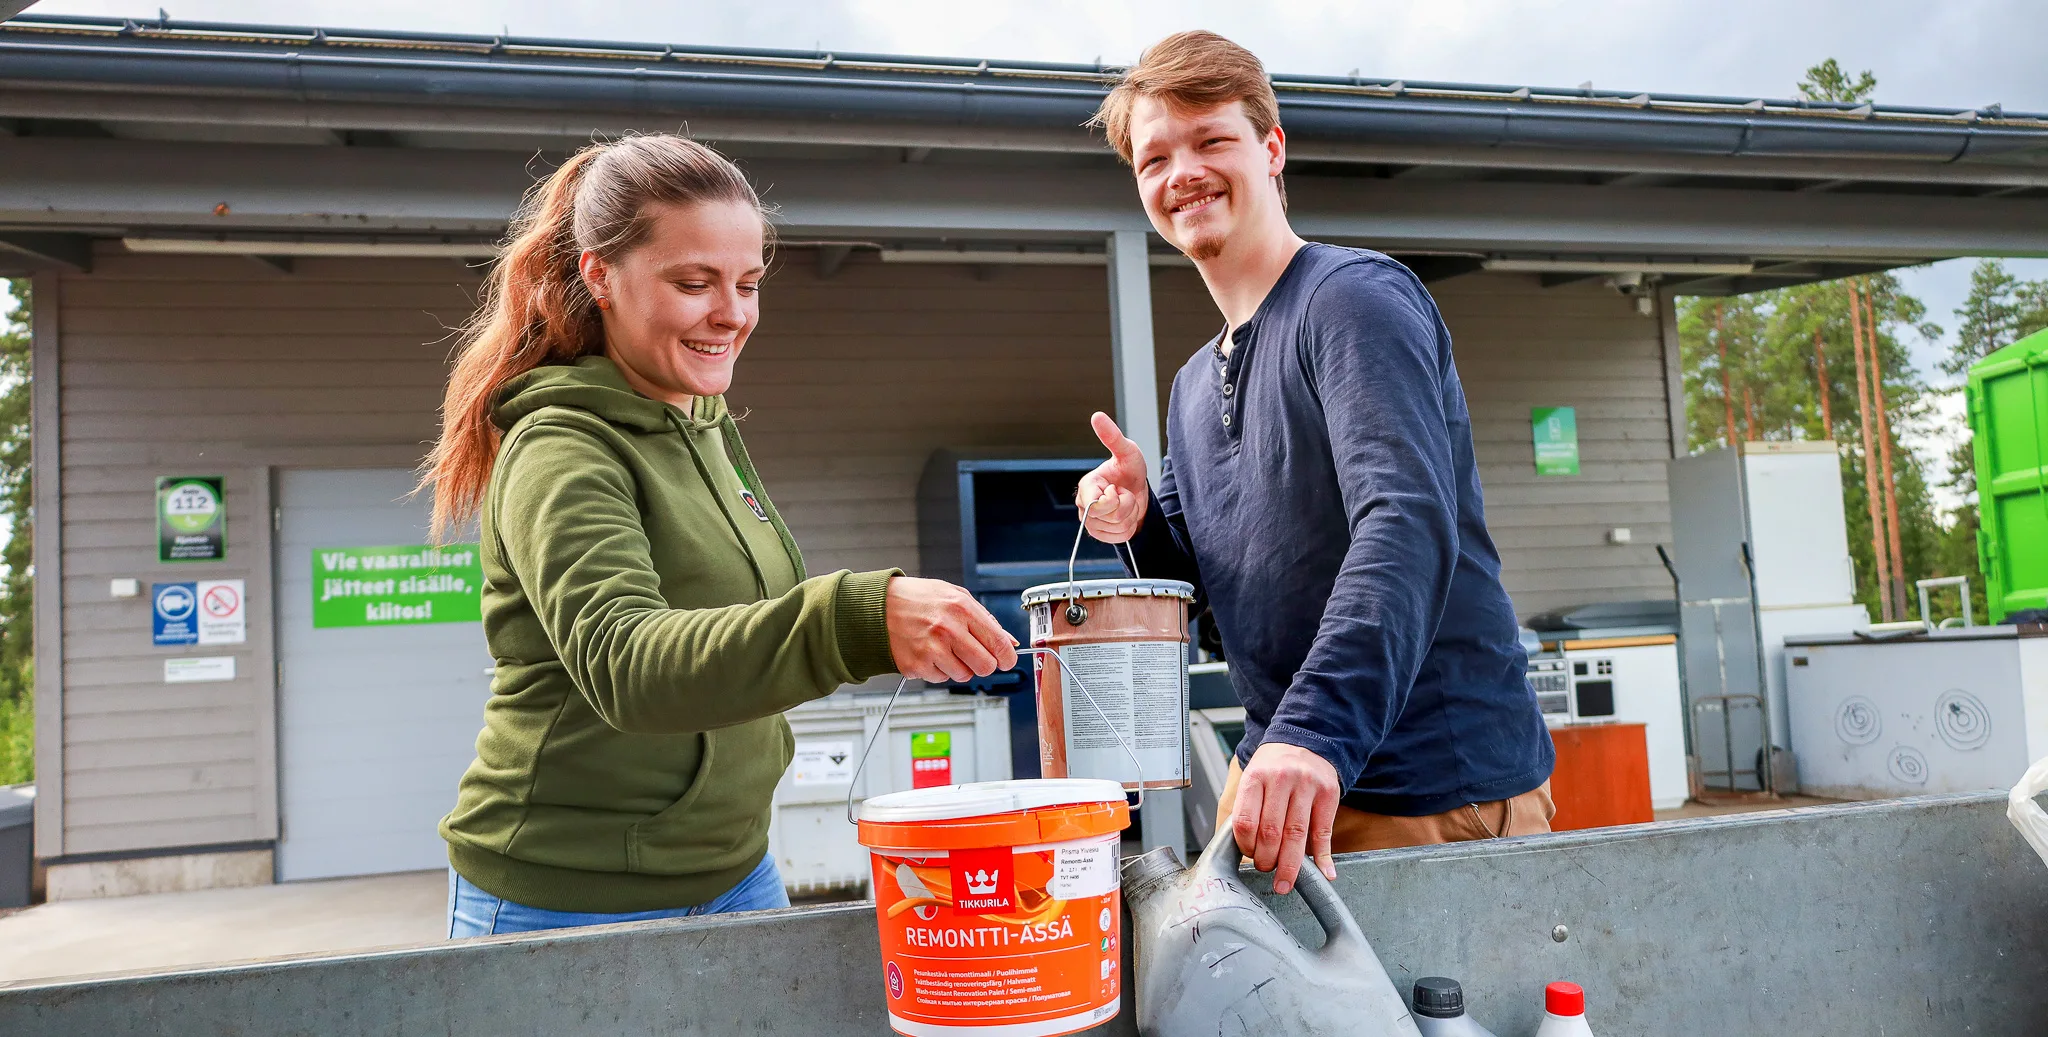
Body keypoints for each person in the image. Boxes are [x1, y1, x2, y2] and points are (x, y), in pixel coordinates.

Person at [420, 134, 1017, 937]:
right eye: (694, 282)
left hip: (737, 872)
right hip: (564, 899)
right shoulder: (560, 449)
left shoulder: (701, 422)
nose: (731, 313)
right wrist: (855, 619)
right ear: (600, 274)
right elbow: (628, 661)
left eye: (747, 282)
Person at [1076, 32, 1555, 896]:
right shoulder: (1191, 383)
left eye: (1210, 140)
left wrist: (1313, 735)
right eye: (1155, 156)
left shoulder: (1353, 302)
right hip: (1277, 787)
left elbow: (1405, 524)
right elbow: (1221, 617)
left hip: (1424, 792)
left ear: (1271, 148)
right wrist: (1139, 522)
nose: (1181, 170)